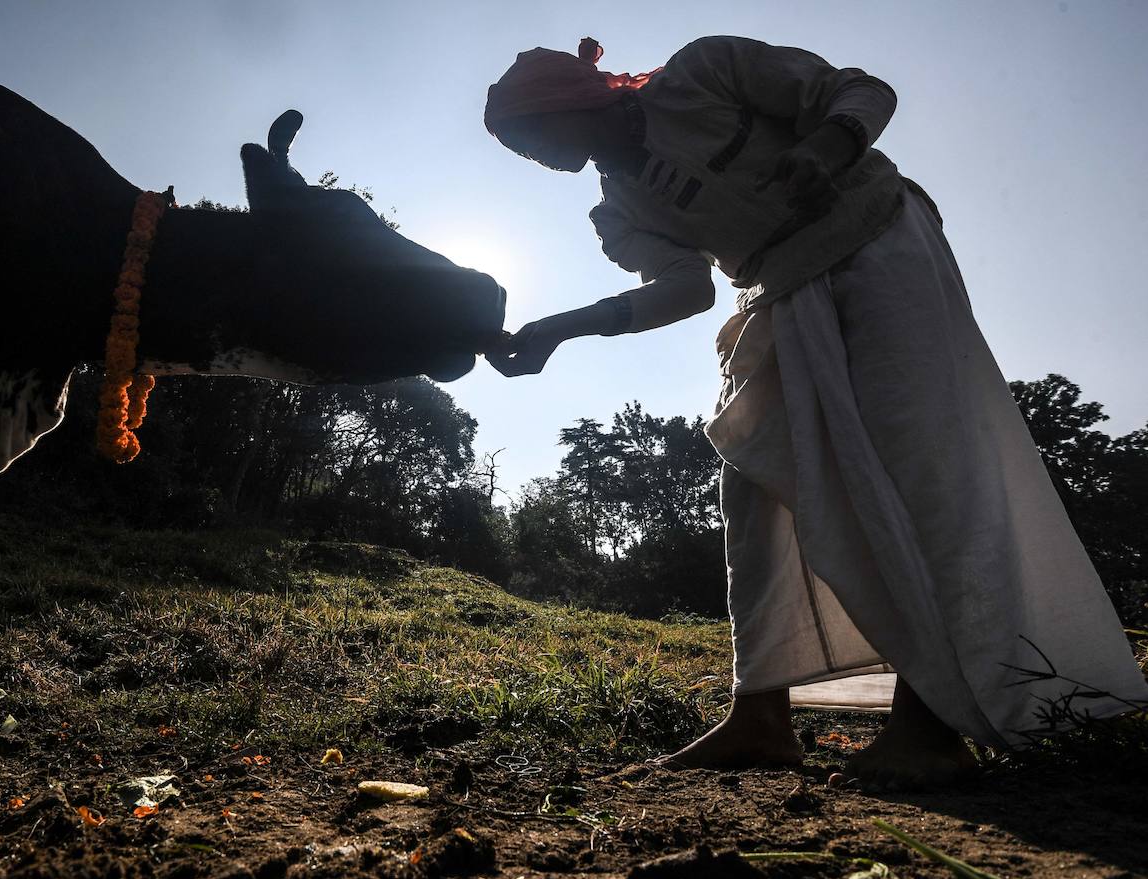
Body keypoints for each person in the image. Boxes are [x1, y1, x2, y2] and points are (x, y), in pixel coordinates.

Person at [483, 36, 1148, 786]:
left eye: (529, 137)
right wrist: (558, 330)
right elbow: (686, 290)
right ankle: (760, 716)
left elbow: (862, 91)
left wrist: (827, 148)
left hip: (878, 241)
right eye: (518, 150)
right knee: (754, 487)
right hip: (782, 291)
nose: (532, 158)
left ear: (571, 104)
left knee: (919, 465)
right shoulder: (618, 210)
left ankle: (928, 728)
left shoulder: (704, 73)